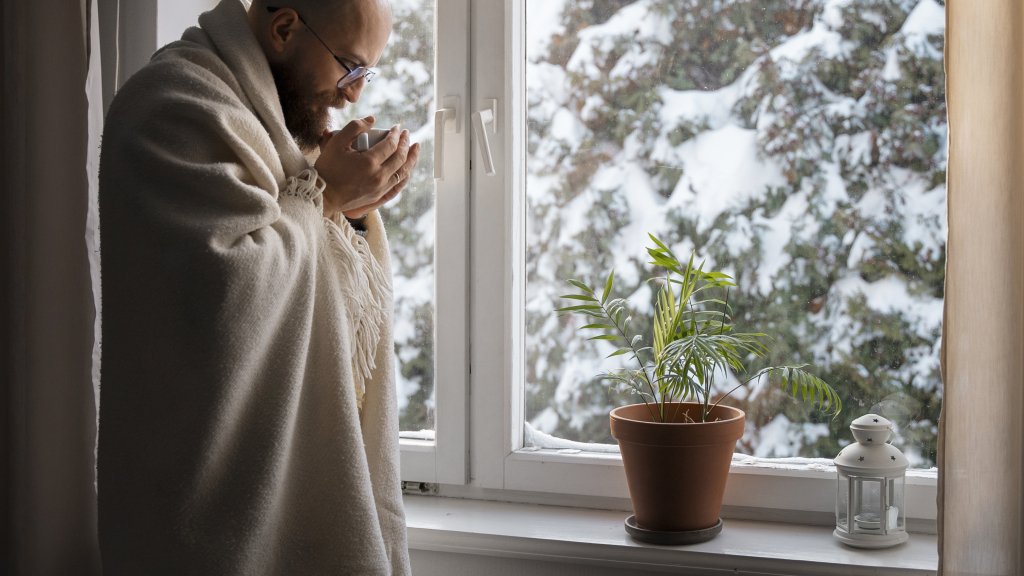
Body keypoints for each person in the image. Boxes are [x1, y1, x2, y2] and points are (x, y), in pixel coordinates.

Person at [97, 0, 417, 573]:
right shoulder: (174, 106)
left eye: (365, 75)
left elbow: (318, 250)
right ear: (284, 26)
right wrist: (328, 196)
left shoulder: (277, 125)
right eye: (348, 67)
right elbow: (228, 296)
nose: (353, 96)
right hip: (199, 508)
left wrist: (351, 205)